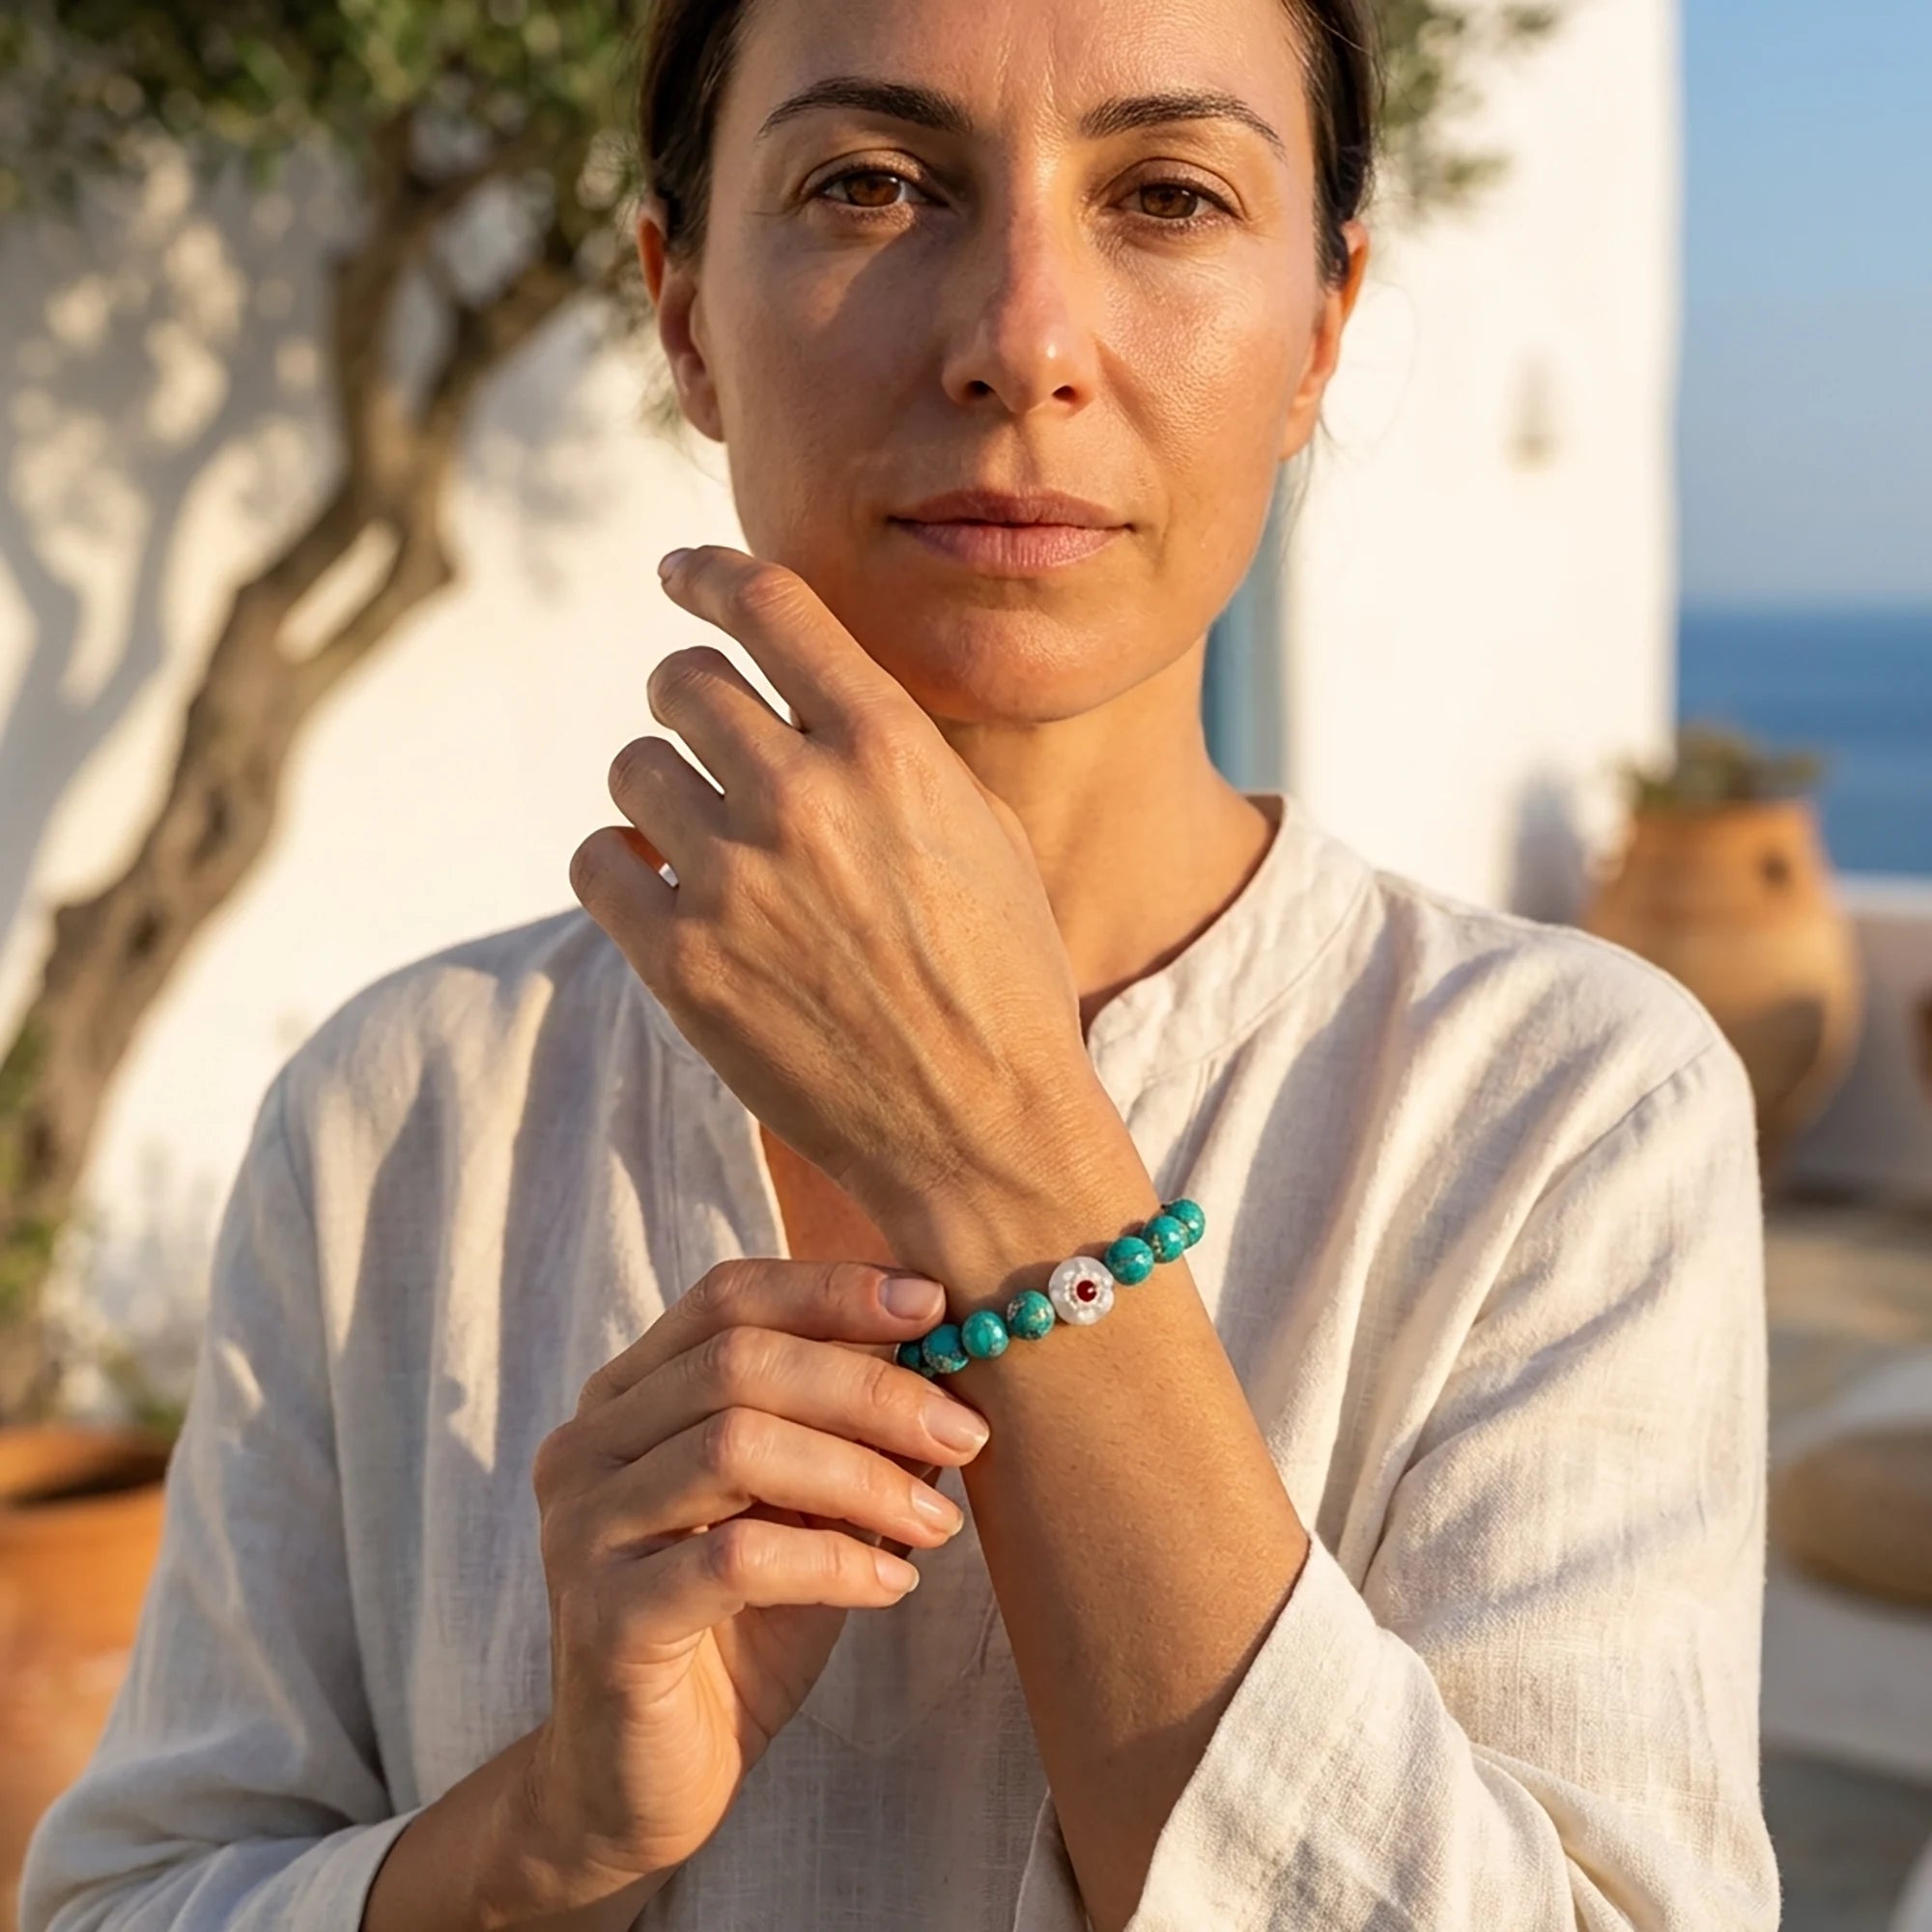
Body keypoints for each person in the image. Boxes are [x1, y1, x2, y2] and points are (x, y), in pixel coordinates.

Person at [19, 0, 1783, 1926]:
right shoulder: (407, 1113)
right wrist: (546, 1831)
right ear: (681, 305)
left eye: (1171, 194)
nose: (1020, 339)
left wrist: (999, 1140)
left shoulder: (1557, 1115)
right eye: (869, 183)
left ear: (1323, 325)